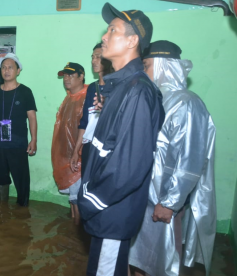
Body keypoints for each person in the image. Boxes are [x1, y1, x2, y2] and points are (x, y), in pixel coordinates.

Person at [76, 3, 164, 275]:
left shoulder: (137, 91)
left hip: (111, 210)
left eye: (112, 30)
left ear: (132, 40)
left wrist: (90, 199)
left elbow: (129, 166)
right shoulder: (122, 87)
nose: (104, 36)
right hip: (107, 210)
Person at [129, 40, 217, 276]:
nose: (143, 72)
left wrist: (170, 203)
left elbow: (191, 161)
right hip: (144, 194)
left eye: (146, 66)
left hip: (164, 199)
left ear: (164, 66)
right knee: (138, 256)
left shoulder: (186, 104)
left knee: (162, 260)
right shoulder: (156, 98)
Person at [0, 53, 37, 206]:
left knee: (21, 179)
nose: (6, 71)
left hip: (18, 144)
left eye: (10, 68)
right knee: (0, 177)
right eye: (4, 68)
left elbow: (32, 117)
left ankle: (23, 210)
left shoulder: (25, 92)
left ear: (18, 71)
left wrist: (34, 139)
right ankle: (2, 209)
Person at [67, 43, 113, 225]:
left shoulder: (116, 86)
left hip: (108, 148)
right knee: (88, 187)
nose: (94, 60)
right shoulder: (92, 88)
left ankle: (105, 224)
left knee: (104, 188)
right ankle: (89, 229)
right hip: (89, 147)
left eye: (99, 57)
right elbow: (85, 121)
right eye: (93, 56)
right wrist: (76, 150)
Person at [51, 62, 87, 220]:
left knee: (78, 200)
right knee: (73, 200)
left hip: (80, 158)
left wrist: (77, 154)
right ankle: (72, 232)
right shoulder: (69, 98)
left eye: (71, 75)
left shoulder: (86, 98)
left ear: (81, 76)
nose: (66, 78)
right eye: (65, 75)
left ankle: (75, 237)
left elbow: (85, 129)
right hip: (67, 156)